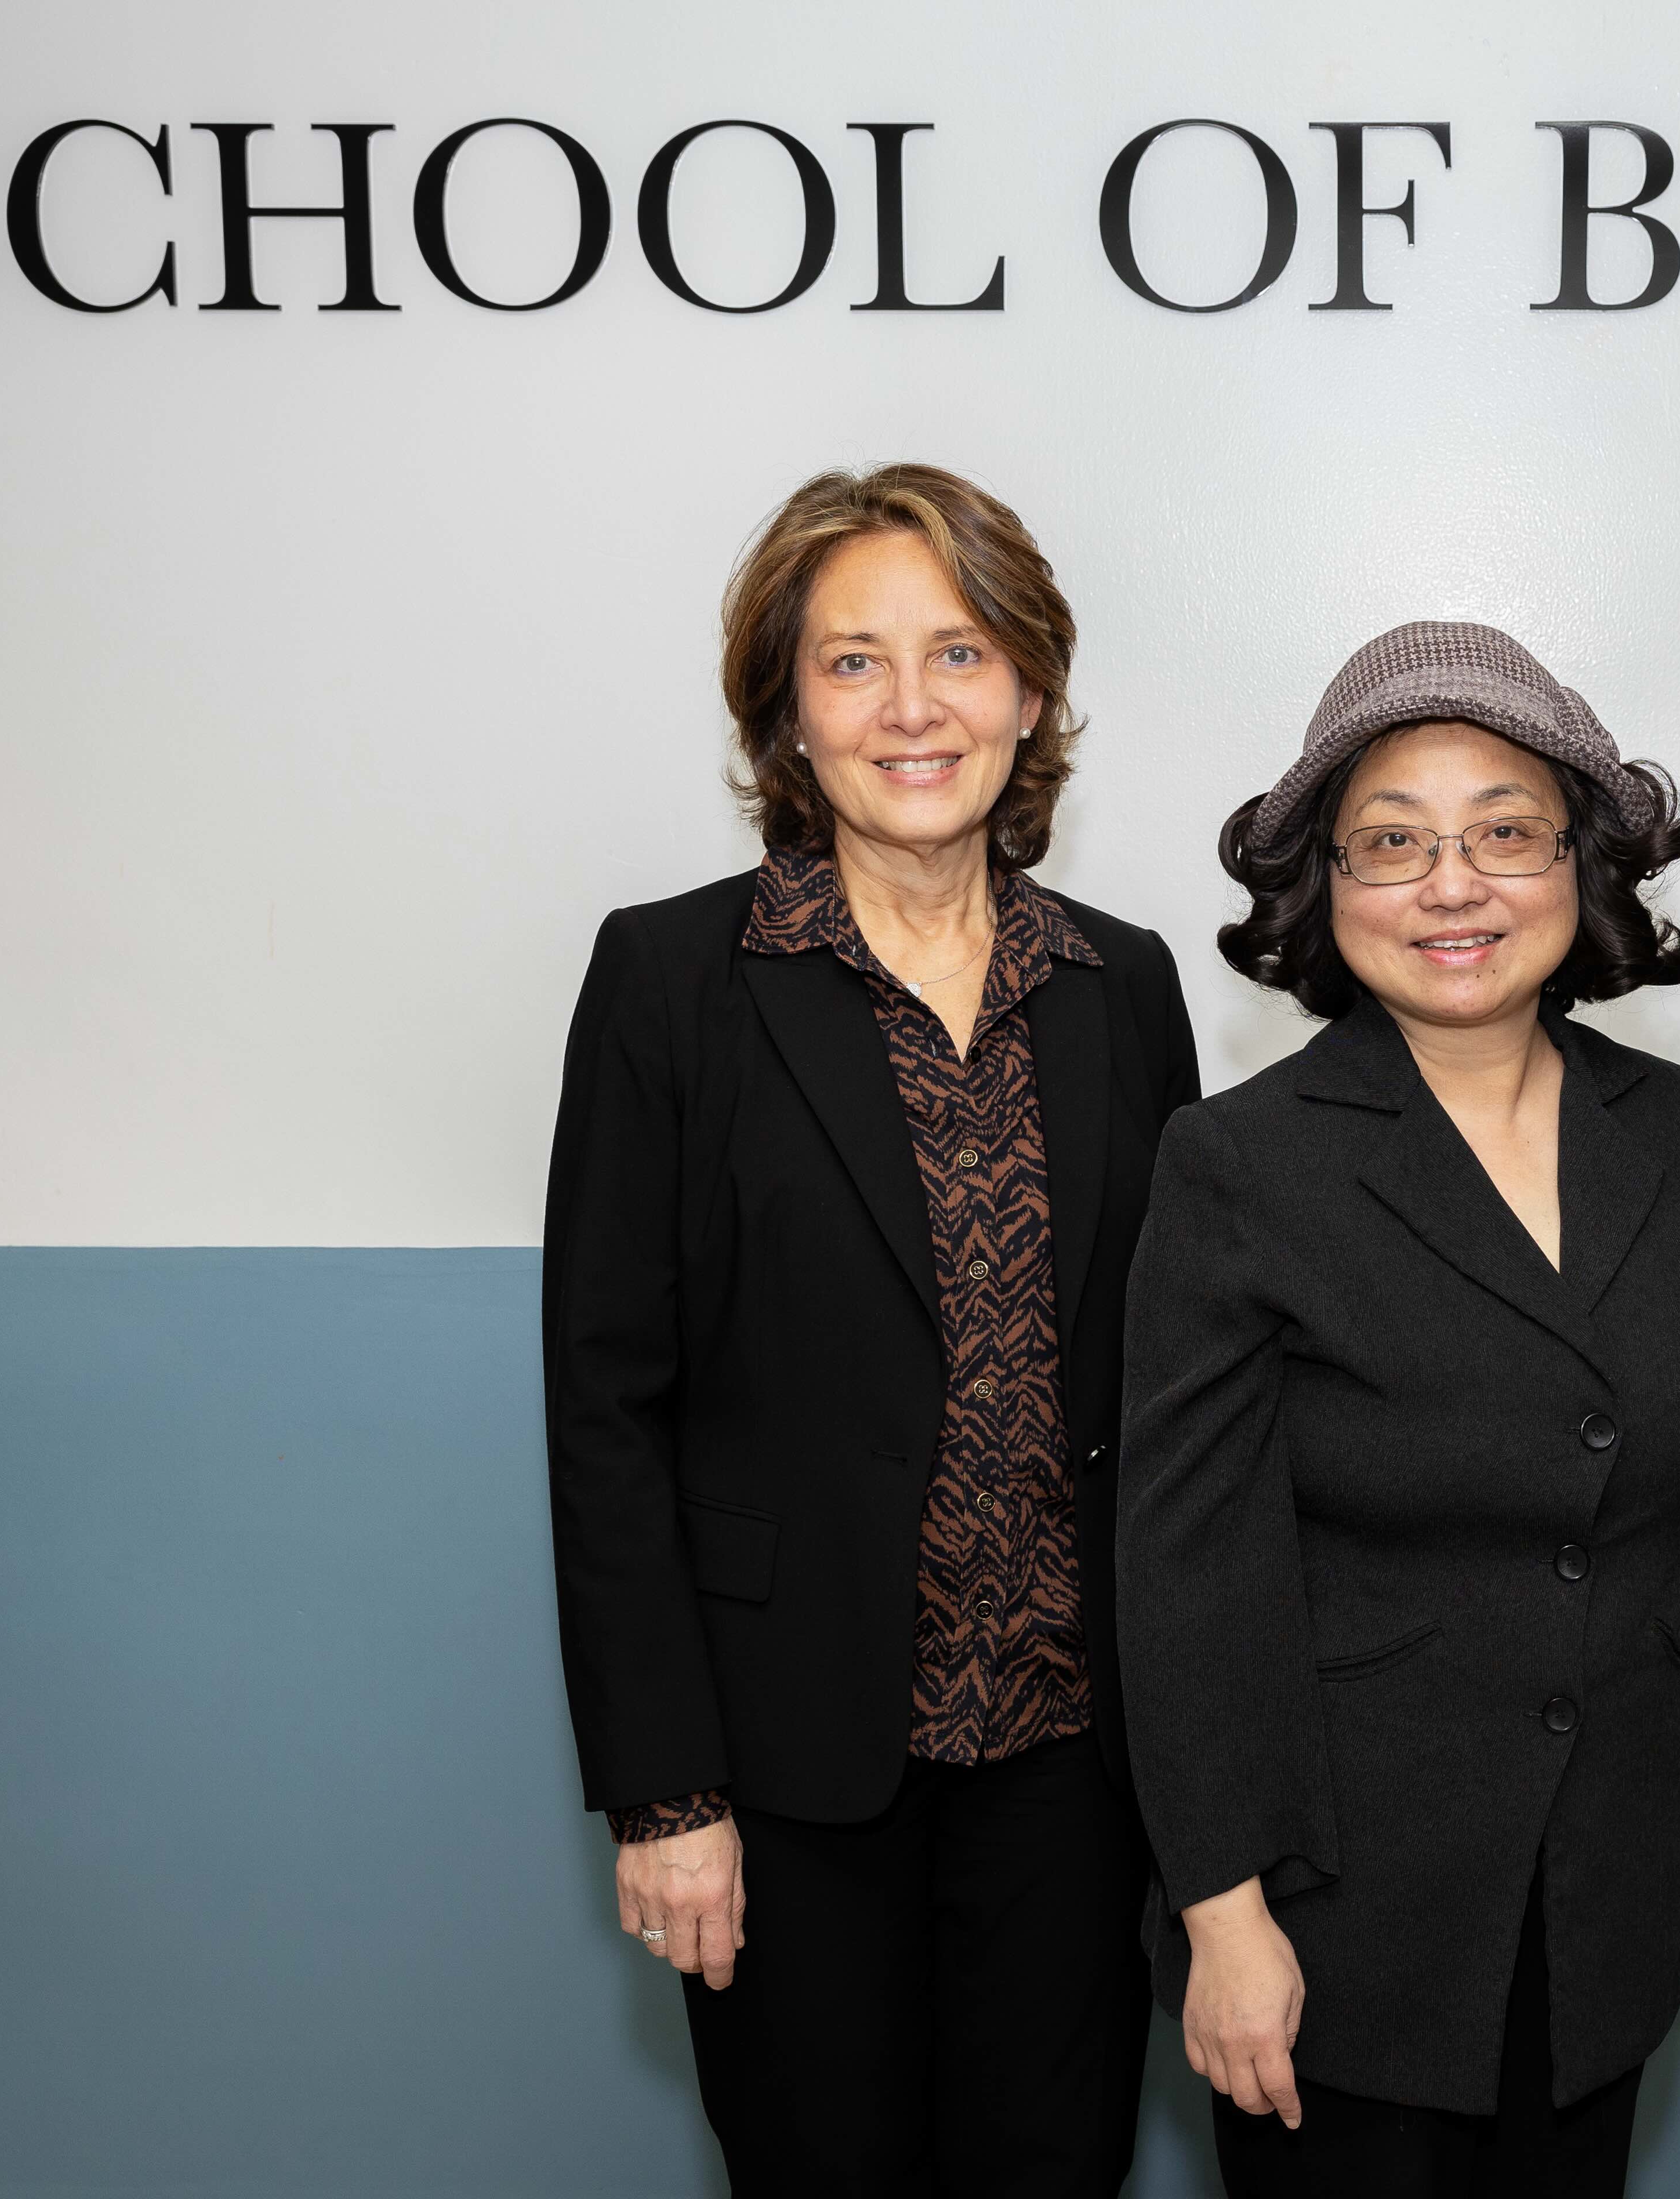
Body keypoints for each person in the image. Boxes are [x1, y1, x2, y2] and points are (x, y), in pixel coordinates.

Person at [540, 463, 1200, 2197]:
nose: (914, 708)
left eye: (962, 653)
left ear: (1032, 691)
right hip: (785, 1763)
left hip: (1072, 1767)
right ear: (785, 708)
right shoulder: (673, 981)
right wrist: (665, 1794)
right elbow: (607, 1410)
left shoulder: (1123, 985)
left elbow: (1173, 1390)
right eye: (852, 663)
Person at [1119, 622, 1680, 2198]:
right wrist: (1220, 1910)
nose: (1452, 886)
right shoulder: (1239, 1165)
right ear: (1325, 892)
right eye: (1393, 843)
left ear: (1583, 868)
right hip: (1336, 1913)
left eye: (1504, 833)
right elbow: (1183, 1570)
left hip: (1606, 1876)